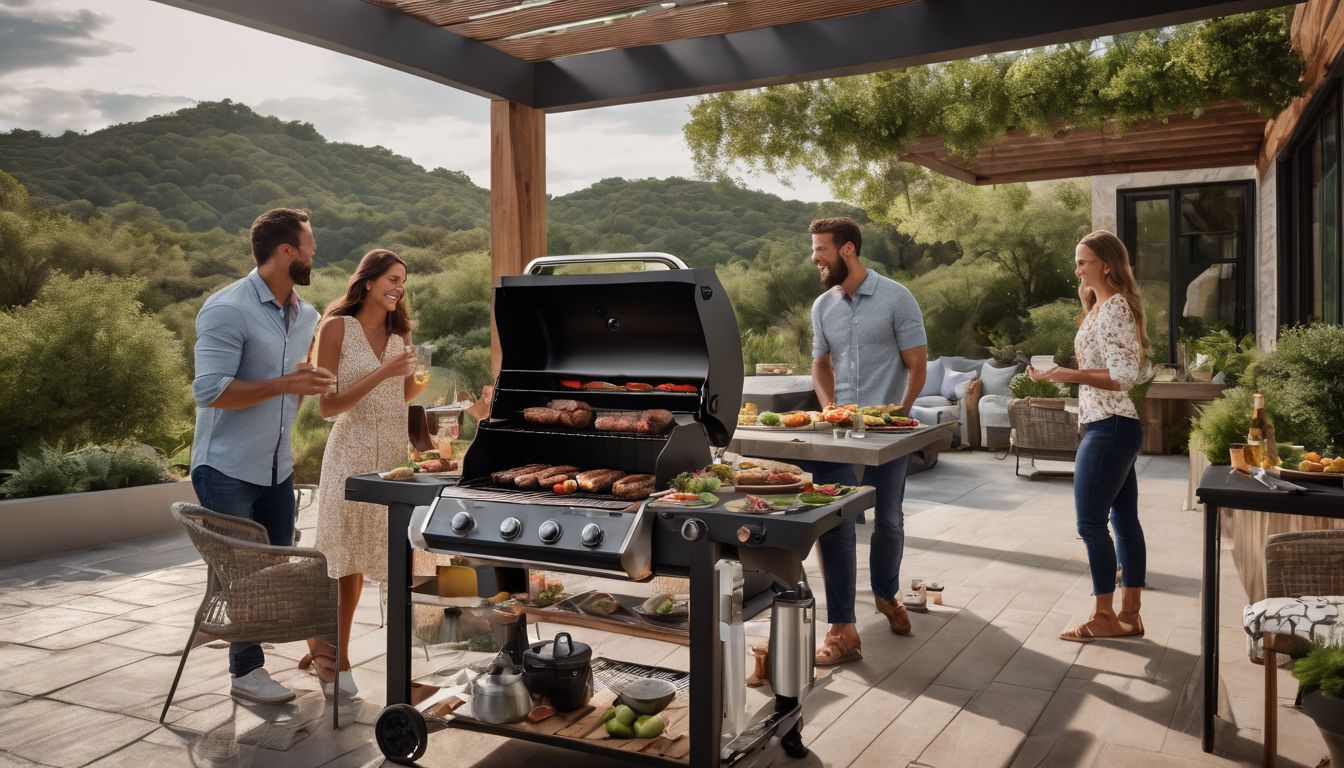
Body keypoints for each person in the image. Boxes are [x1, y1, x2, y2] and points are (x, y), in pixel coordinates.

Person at [303, 249, 491, 696]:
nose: (398, 288)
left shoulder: (399, 332)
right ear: (367, 281)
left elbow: (402, 396)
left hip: (392, 456)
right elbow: (328, 406)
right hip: (349, 451)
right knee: (345, 563)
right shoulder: (336, 328)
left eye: (402, 281)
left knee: (397, 562)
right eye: (391, 278)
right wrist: (385, 369)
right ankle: (337, 660)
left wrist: (419, 377)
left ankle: (405, 675)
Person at [191, 208, 335, 704]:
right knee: (244, 574)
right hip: (226, 466)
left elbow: (295, 383)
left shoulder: (308, 315)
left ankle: (307, 654)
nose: (315, 251)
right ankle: (246, 673)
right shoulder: (226, 308)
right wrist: (287, 384)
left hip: (277, 467)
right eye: (309, 243)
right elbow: (209, 391)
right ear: (286, 251)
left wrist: (300, 390)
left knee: (277, 573)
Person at [805, 216, 928, 667]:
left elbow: (917, 364)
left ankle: (886, 594)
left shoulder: (897, 297)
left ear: (848, 250)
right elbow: (820, 363)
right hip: (839, 431)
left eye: (821, 249)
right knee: (833, 519)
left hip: (886, 431)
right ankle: (842, 627)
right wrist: (828, 405)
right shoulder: (822, 306)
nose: (815, 257)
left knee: (888, 517)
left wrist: (903, 411)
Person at [1028, 229, 1148, 643]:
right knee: (1125, 521)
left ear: (1107, 265)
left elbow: (1122, 377)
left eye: (1083, 262)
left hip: (1110, 425)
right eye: (1077, 261)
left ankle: (1103, 617)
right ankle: (1129, 616)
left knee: (1091, 524)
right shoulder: (1098, 308)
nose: (1077, 269)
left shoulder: (1114, 307)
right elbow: (1101, 372)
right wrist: (1056, 373)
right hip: (1111, 424)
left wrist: (1066, 374)